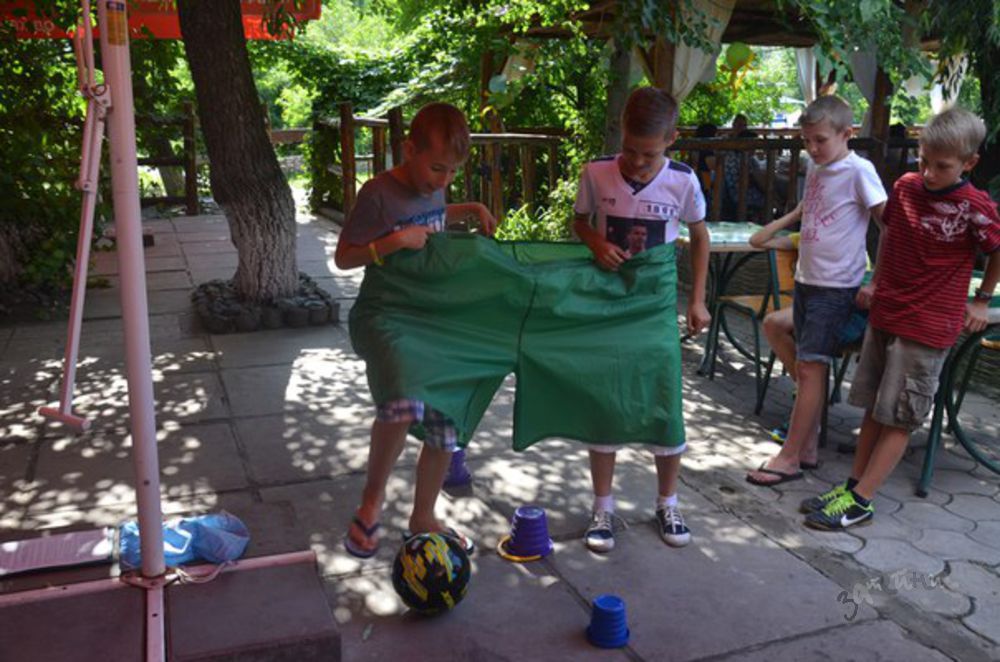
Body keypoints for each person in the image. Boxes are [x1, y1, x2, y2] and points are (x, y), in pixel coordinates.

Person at [801, 107, 1000, 530]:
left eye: (942, 166)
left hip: (927, 326)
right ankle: (852, 486)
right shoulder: (907, 187)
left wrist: (982, 300)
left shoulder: (975, 207)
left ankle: (863, 500)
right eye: (924, 160)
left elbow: (997, 250)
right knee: (875, 407)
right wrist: (876, 280)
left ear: (969, 163)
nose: (929, 173)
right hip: (887, 313)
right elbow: (890, 235)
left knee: (901, 414)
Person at [336, 102, 498, 558]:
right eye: (437, 168)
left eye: (452, 172)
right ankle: (371, 503)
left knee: (445, 414)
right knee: (404, 399)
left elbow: (432, 215)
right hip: (384, 314)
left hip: (429, 315)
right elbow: (344, 257)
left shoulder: (435, 189)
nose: (443, 180)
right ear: (409, 150)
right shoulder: (377, 193)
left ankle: (423, 515)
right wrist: (392, 243)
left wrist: (471, 208)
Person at [573, 87, 711, 551]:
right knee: (605, 397)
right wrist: (595, 242)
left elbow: (699, 235)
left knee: (663, 397)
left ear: (672, 138)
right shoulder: (596, 172)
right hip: (608, 299)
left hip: (656, 303)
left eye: (648, 154)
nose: (635, 162)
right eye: (630, 149)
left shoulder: (683, 181)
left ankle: (668, 501)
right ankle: (603, 506)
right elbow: (580, 221)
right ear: (621, 133)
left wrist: (697, 300)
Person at [746, 95, 887, 487]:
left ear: (847, 134)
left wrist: (876, 281)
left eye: (820, 140)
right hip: (808, 281)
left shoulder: (859, 170)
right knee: (809, 368)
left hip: (836, 287)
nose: (812, 147)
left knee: (811, 368)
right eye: (806, 140)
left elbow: (889, 225)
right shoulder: (815, 167)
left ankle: (790, 458)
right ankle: (806, 448)